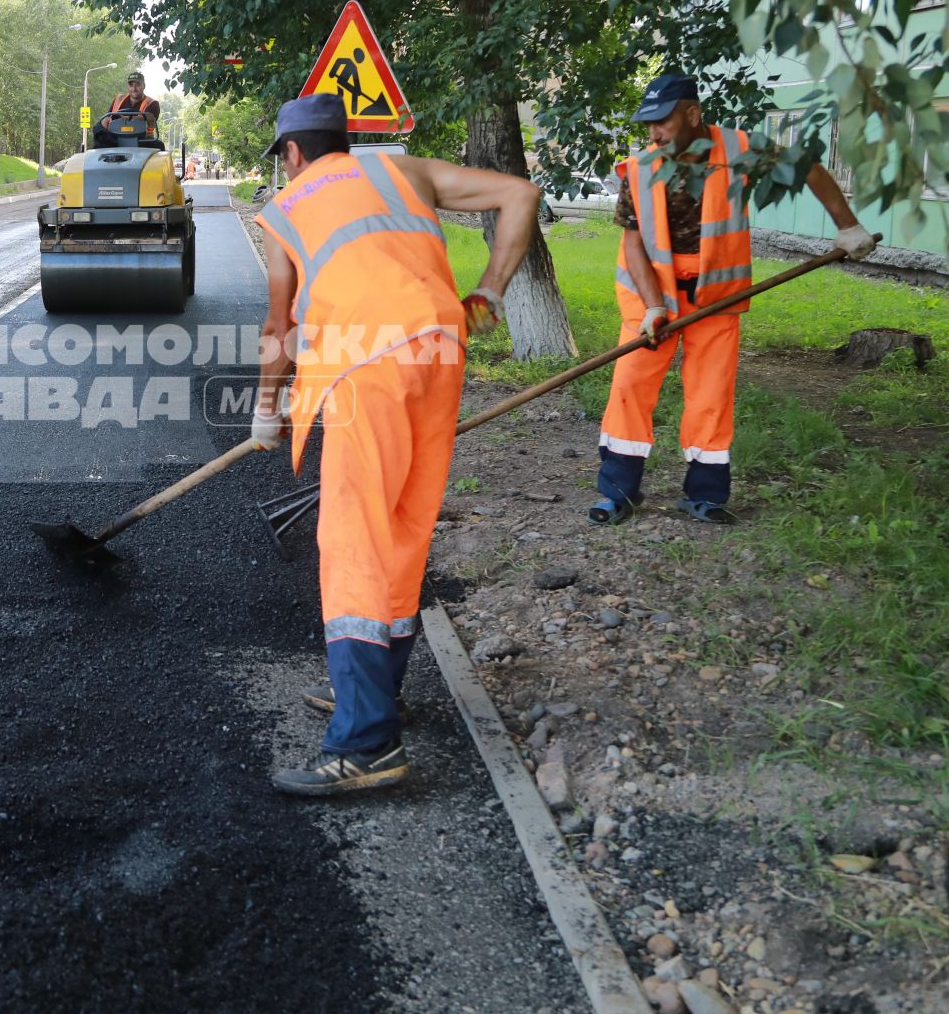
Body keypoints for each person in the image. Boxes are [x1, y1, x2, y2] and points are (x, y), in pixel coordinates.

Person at [252, 93, 541, 796]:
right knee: (404, 529)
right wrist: (492, 291)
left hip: (367, 368)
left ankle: (365, 746)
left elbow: (281, 326)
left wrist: (267, 409)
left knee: (354, 539)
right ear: (343, 142)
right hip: (440, 349)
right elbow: (521, 193)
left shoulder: (286, 208)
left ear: (292, 153)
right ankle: (377, 695)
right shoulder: (403, 171)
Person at [591, 73, 875, 527]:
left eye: (661, 122)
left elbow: (808, 168)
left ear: (692, 114)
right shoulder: (640, 168)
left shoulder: (740, 151)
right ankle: (617, 492)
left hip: (716, 299)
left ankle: (704, 496)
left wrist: (848, 226)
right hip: (649, 299)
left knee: (711, 394)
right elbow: (634, 244)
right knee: (629, 388)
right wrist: (654, 307)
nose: (653, 134)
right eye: (648, 125)